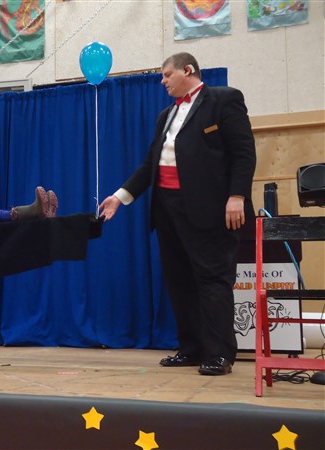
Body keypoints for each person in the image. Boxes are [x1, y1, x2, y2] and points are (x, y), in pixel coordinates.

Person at [99, 53, 256, 376]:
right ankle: (192, 348)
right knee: (180, 281)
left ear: (188, 70)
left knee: (213, 281)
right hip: (169, 210)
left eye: (167, 75)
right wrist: (119, 197)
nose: (163, 81)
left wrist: (237, 196)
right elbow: (149, 166)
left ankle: (220, 354)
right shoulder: (165, 116)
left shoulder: (224, 100)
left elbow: (243, 152)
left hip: (213, 210)